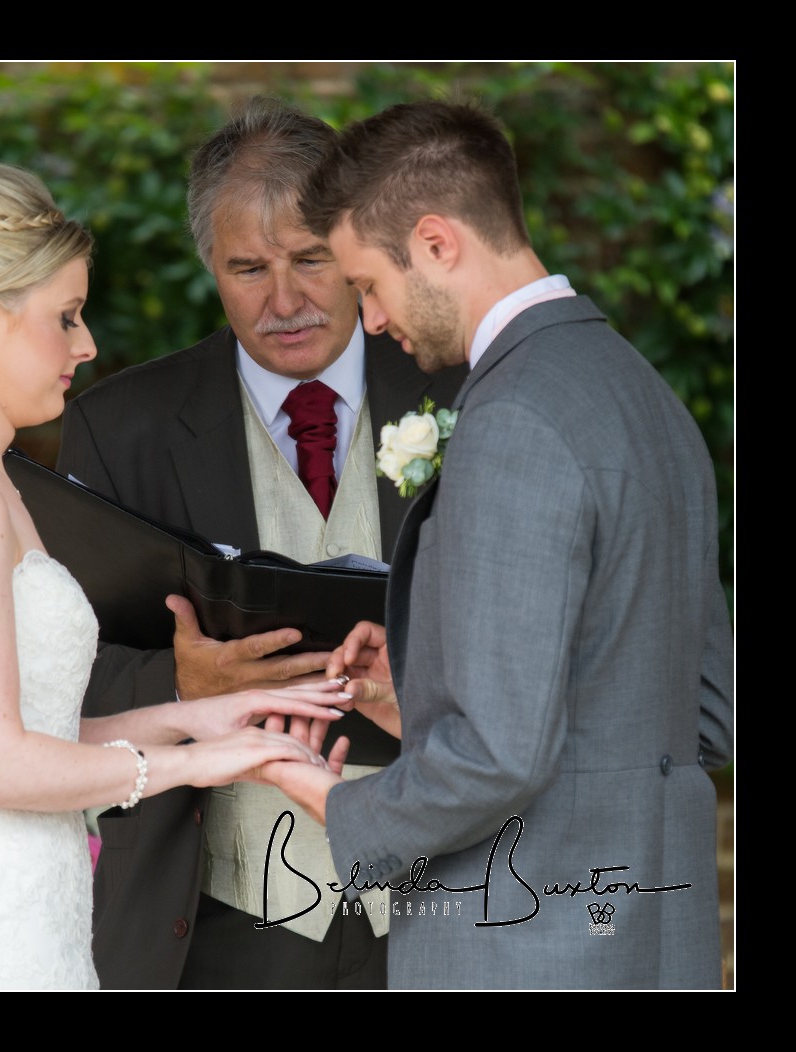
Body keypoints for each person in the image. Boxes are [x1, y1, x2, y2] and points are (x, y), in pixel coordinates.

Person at [0, 160, 350, 991]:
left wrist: (197, 718)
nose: (87, 345)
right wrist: (196, 765)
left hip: (22, 907)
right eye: (66, 317)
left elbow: (27, 735)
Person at [262, 99, 734, 990]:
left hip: (526, 951)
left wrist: (336, 802)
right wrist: (436, 691)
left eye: (368, 284)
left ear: (437, 243)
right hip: (655, 947)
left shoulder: (514, 416)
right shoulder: (647, 397)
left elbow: (499, 758)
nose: (370, 320)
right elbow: (702, 709)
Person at [57, 98, 466, 989]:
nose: (285, 302)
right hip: (220, 916)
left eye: (311, 259)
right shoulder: (119, 429)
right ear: (210, 263)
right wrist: (178, 684)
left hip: (449, 899)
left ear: (356, 246)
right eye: (249, 268)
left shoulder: (466, 394)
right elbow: (59, 672)